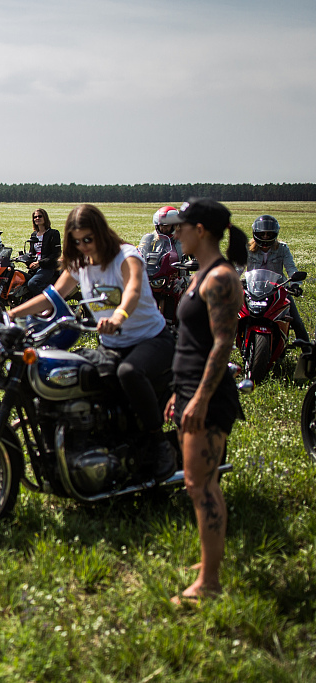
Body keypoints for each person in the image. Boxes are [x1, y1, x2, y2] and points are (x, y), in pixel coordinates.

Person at [9, 204, 176, 480]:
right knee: (70, 374)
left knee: (129, 373)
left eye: (88, 239)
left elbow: (132, 291)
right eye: (76, 241)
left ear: (101, 233)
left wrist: (119, 317)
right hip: (112, 346)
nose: (84, 246)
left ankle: (158, 444)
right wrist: (11, 313)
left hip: (151, 340)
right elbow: (53, 295)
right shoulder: (79, 264)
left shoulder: (126, 256)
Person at [165, 198, 247, 605]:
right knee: (197, 483)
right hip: (188, 390)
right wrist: (177, 394)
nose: (176, 232)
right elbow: (191, 342)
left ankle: (210, 584)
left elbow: (221, 346)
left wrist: (198, 398)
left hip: (208, 397)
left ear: (201, 230)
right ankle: (206, 563)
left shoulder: (220, 278)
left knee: (202, 485)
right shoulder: (200, 275)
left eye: (182, 226)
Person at [245, 214, 309, 343]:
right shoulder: (247, 248)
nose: (265, 237)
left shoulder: (282, 248)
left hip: (277, 289)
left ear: (275, 234)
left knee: (296, 320)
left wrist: (295, 284)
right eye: (262, 234)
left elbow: (291, 268)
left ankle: (307, 352)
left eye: (269, 234)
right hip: (252, 289)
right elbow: (238, 267)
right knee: (231, 315)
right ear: (256, 233)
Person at [26, 208, 61, 296]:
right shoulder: (34, 235)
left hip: (48, 267)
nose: (37, 218)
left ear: (45, 217)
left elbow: (56, 254)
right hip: (35, 267)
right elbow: (32, 253)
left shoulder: (53, 233)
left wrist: (40, 263)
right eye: (35, 217)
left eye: (40, 216)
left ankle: (47, 302)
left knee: (33, 284)